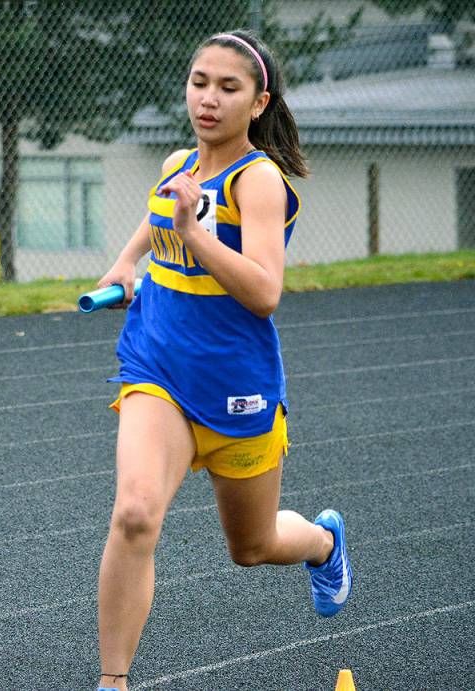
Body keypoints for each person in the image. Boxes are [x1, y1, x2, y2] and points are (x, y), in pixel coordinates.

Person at [92, 30, 352, 691]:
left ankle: (323, 542)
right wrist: (126, 268)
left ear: (258, 101)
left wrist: (194, 234)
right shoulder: (180, 162)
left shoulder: (258, 180)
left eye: (227, 88)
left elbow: (265, 292)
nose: (207, 98)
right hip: (156, 369)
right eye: (198, 81)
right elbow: (158, 219)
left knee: (253, 545)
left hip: (237, 387)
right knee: (135, 511)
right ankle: (112, 680)